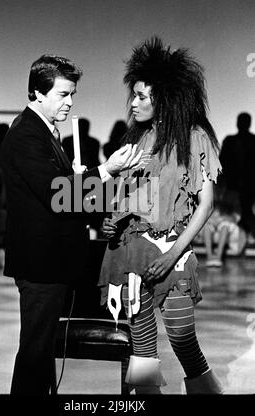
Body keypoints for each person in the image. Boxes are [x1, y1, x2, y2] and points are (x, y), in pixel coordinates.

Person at [0, 54, 142, 395]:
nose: (70, 102)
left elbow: (65, 193)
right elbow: (57, 195)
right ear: (37, 93)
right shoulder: (26, 135)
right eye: (63, 94)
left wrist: (88, 189)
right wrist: (105, 170)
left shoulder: (45, 131)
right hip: (40, 262)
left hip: (52, 259)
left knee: (41, 351)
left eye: (72, 94)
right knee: (35, 353)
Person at [98, 37, 224, 394]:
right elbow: (127, 198)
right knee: (142, 353)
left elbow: (206, 204)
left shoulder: (194, 138)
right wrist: (112, 221)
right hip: (129, 255)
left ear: (164, 99)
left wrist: (172, 254)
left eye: (141, 96)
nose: (133, 103)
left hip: (174, 253)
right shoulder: (135, 139)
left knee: (184, 341)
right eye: (133, 95)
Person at [202, 186, 247, 267]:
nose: (220, 183)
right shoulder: (208, 193)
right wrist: (212, 220)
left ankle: (218, 257)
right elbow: (202, 214)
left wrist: (221, 219)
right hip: (212, 227)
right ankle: (210, 257)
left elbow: (237, 215)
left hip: (229, 229)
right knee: (206, 226)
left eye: (222, 181)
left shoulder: (233, 195)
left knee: (224, 225)